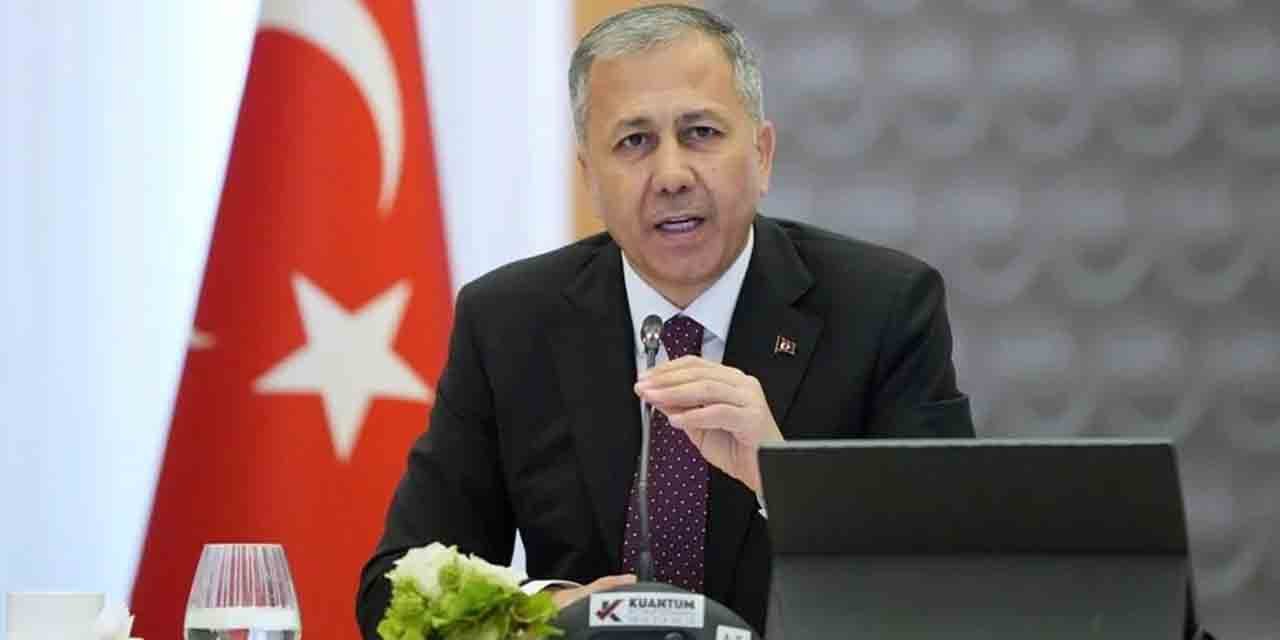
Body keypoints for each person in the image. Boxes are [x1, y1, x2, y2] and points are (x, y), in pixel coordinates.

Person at [356, 5, 973, 637]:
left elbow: (957, 577)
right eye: (634, 142)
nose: (672, 176)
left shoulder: (882, 309)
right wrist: (540, 612)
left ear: (762, 154)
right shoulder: (509, 322)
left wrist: (783, 482)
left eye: (700, 132)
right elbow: (393, 590)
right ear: (590, 177)